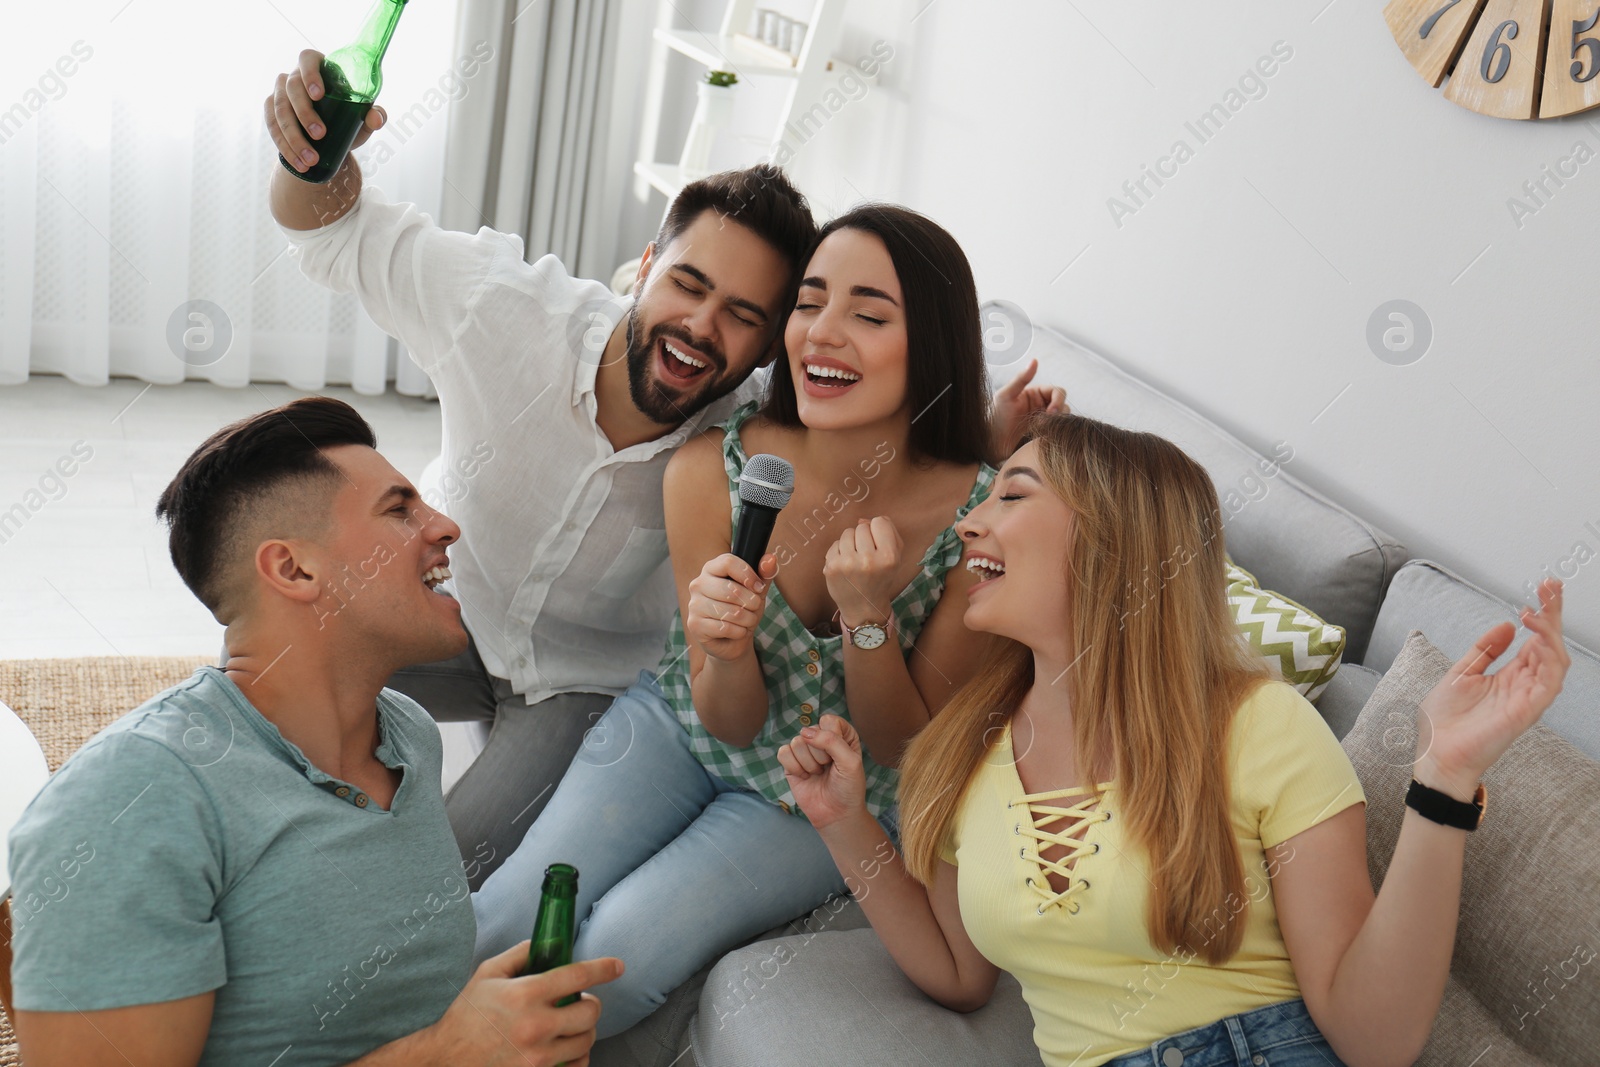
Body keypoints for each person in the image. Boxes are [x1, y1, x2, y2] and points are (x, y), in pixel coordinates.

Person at [263, 53, 1060, 886]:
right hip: (451, 606)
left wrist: (992, 444)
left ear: (769, 341)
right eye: (687, 285)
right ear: (645, 266)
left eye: (744, 315)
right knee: (274, 670)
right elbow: (328, 230)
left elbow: (886, 413)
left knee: (439, 877)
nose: (701, 328)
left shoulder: (746, 436)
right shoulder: (496, 306)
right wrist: (309, 155)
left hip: (578, 686)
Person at [778, 413, 1571, 1067]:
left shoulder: (1259, 725)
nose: (969, 521)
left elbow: (1376, 1038)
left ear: (1113, 537)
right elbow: (958, 974)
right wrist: (842, 822)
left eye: (1012, 495)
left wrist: (1444, 779)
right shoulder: (961, 752)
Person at [471, 204, 1066, 1038]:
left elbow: (904, 746)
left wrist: (868, 621)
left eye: (867, 314)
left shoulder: (975, 519)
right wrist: (724, 646)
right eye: (809, 302)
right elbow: (728, 713)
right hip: (681, 726)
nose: (822, 333)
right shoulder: (712, 470)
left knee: (612, 960)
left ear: (928, 340)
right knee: (504, 918)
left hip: (817, 794)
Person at [7, 397, 622, 1066]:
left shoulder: (408, 735)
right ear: (295, 569)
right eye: (399, 509)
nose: (446, 525)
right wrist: (446, 1052)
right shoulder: (129, 804)